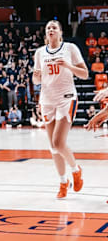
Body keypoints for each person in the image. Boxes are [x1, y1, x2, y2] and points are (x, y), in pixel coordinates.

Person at [33, 20, 87, 199]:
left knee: (58, 142)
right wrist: (36, 77)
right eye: (48, 28)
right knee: (53, 148)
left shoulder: (70, 48)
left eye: (54, 27)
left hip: (66, 98)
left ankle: (76, 170)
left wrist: (68, 66)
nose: (51, 30)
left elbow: (85, 74)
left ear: (60, 32)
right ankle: (63, 182)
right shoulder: (40, 53)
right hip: (47, 99)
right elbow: (36, 80)